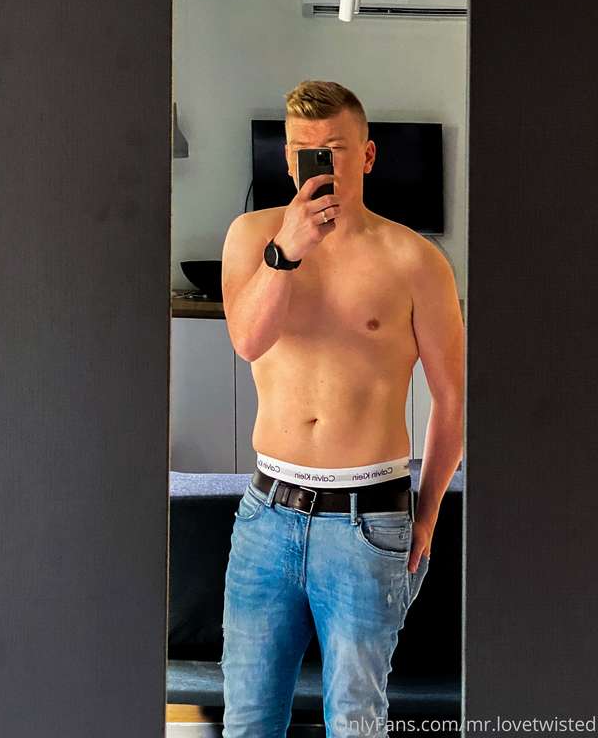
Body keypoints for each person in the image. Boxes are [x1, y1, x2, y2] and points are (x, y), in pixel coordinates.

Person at [219, 79, 464, 737]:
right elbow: (248, 341)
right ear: (287, 159)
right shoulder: (251, 237)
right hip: (266, 514)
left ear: (368, 156)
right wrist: (287, 252)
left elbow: (451, 400)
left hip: (369, 520)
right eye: (305, 151)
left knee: (357, 722)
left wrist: (427, 512)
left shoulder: (416, 261)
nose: (318, 164)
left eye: (335, 149)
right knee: (248, 721)